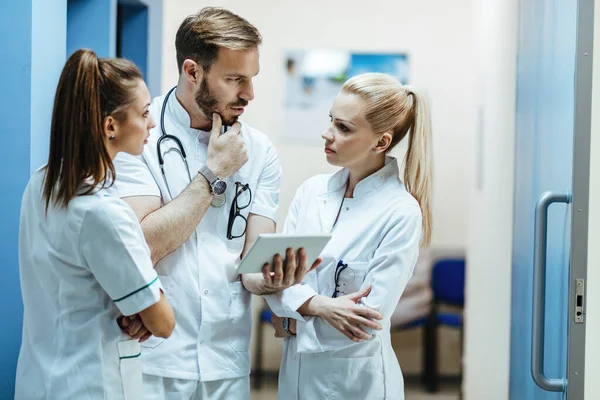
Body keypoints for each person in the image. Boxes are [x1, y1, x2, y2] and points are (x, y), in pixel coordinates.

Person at [113, 7, 316, 400]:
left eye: (251, 79)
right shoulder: (139, 133)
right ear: (192, 72)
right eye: (235, 79)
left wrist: (274, 278)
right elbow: (138, 244)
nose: (249, 94)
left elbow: (251, 266)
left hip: (226, 360)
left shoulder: (259, 151)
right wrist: (213, 174)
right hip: (154, 357)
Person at [14, 49, 175, 400]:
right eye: (145, 113)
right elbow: (163, 323)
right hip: (91, 385)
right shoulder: (104, 213)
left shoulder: (39, 186)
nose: (150, 124)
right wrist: (147, 306)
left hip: (38, 381)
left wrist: (138, 306)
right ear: (110, 126)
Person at [266, 72, 433, 400]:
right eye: (331, 120)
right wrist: (320, 306)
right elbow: (274, 279)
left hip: (355, 384)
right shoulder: (311, 192)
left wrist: (289, 321)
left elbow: (365, 321)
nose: (327, 133)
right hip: (295, 378)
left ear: (381, 142)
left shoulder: (400, 212)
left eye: (343, 128)